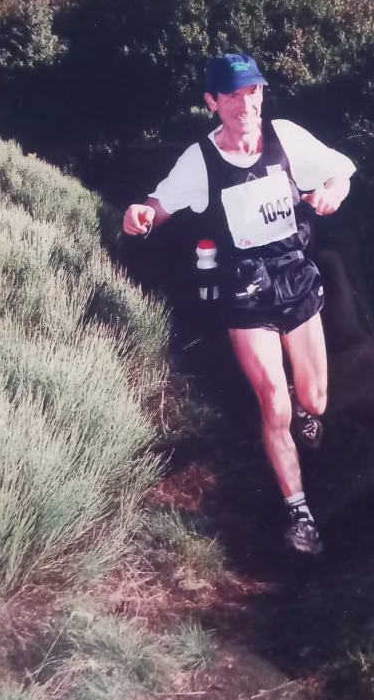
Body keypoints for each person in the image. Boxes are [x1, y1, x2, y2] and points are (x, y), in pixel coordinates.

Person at [122, 52, 355, 555]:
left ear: (262, 94)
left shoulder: (285, 137)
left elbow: (342, 170)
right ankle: (300, 514)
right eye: (232, 96)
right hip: (245, 290)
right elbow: (158, 205)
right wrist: (139, 214)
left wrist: (333, 192)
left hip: (295, 278)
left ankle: (302, 407)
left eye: (252, 93)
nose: (244, 105)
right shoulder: (199, 160)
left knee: (314, 402)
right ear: (212, 102)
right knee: (273, 400)